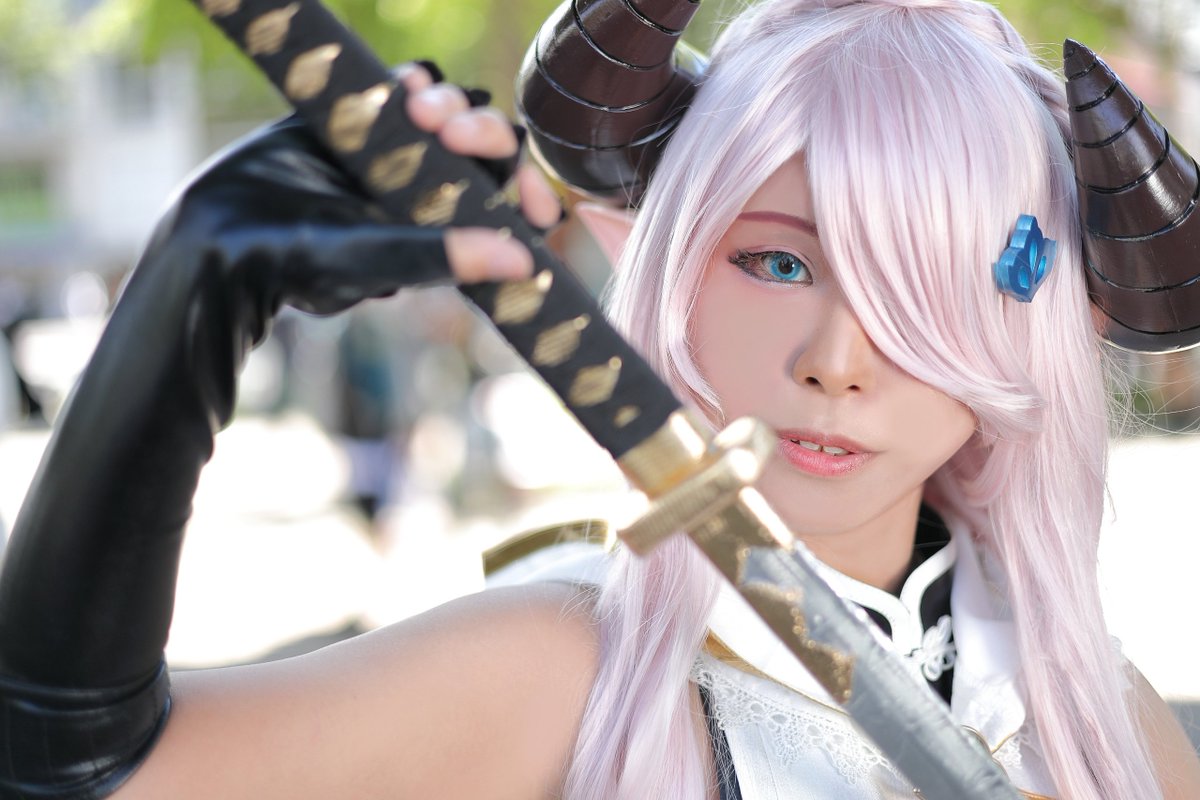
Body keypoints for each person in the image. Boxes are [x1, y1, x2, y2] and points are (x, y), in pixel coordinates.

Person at [2, 2, 1199, 800]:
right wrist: (188, 311)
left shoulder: (1095, 715)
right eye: (777, 260)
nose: (838, 358)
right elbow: (71, 765)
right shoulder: (562, 668)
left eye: (918, 288)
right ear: (679, 265)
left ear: (1030, 321)